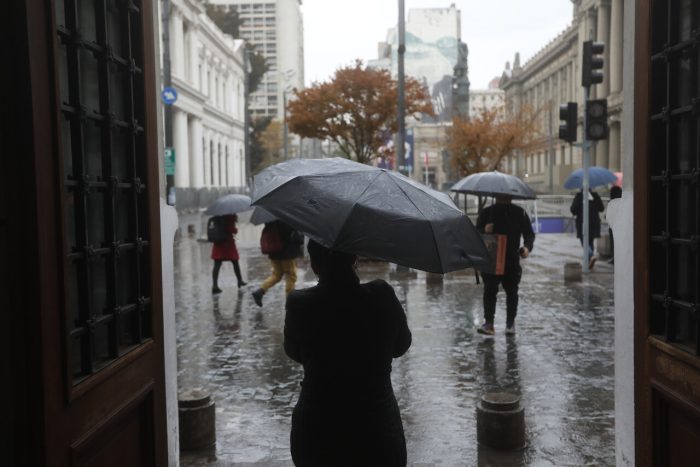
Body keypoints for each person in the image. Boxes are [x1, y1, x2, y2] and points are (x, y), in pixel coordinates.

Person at [284, 240, 412, 466]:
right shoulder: (382, 295)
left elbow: (294, 351)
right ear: (354, 258)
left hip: (317, 431)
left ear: (315, 265)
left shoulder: (299, 303)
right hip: (378, 428)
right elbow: (401, 345)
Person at [475, 194, 535, 336]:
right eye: (501, 196)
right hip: (491, 260)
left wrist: (526, 248)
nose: (504, 199)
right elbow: (475, 234)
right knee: (490, 291)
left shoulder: (519, 213)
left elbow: (529, 234)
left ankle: (510, 323)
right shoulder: (487, 212)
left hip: (511, 259)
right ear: (496, 196)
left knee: (512, 292)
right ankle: (489, 324)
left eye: (506, 196)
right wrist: (485, 231)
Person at [251, 220, 304, 307]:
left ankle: (260, 291)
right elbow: (289, 236)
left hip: (274, 252)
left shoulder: (270, 219)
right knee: (291, 276)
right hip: (286, 253)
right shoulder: (284, 218)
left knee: (277, 275)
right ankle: (290, 302)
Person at [570, 188, 605, 269]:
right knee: (590, 242)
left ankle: (591, 256)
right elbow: (601, 208)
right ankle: (589, 262)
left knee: (584, 242)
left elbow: (573, 210)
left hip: (583, 224)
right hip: (594, 223)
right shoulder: (595, 196)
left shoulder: (579, 196)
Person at [211, 214, 246, 294]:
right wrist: (235, 229)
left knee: (217, 264)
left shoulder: (217, 215)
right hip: (227, 243)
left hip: (218, 242)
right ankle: (239, 281)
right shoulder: (230, 215)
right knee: (235, 261)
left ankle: (215, 285)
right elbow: (232, 229)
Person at [607, 185, 622, 264]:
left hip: (612, 227)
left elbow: (609, 216)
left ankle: (614, 258)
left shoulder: (611, 203)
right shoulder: (622, 202)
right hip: (620, 227)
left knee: (613, 243)